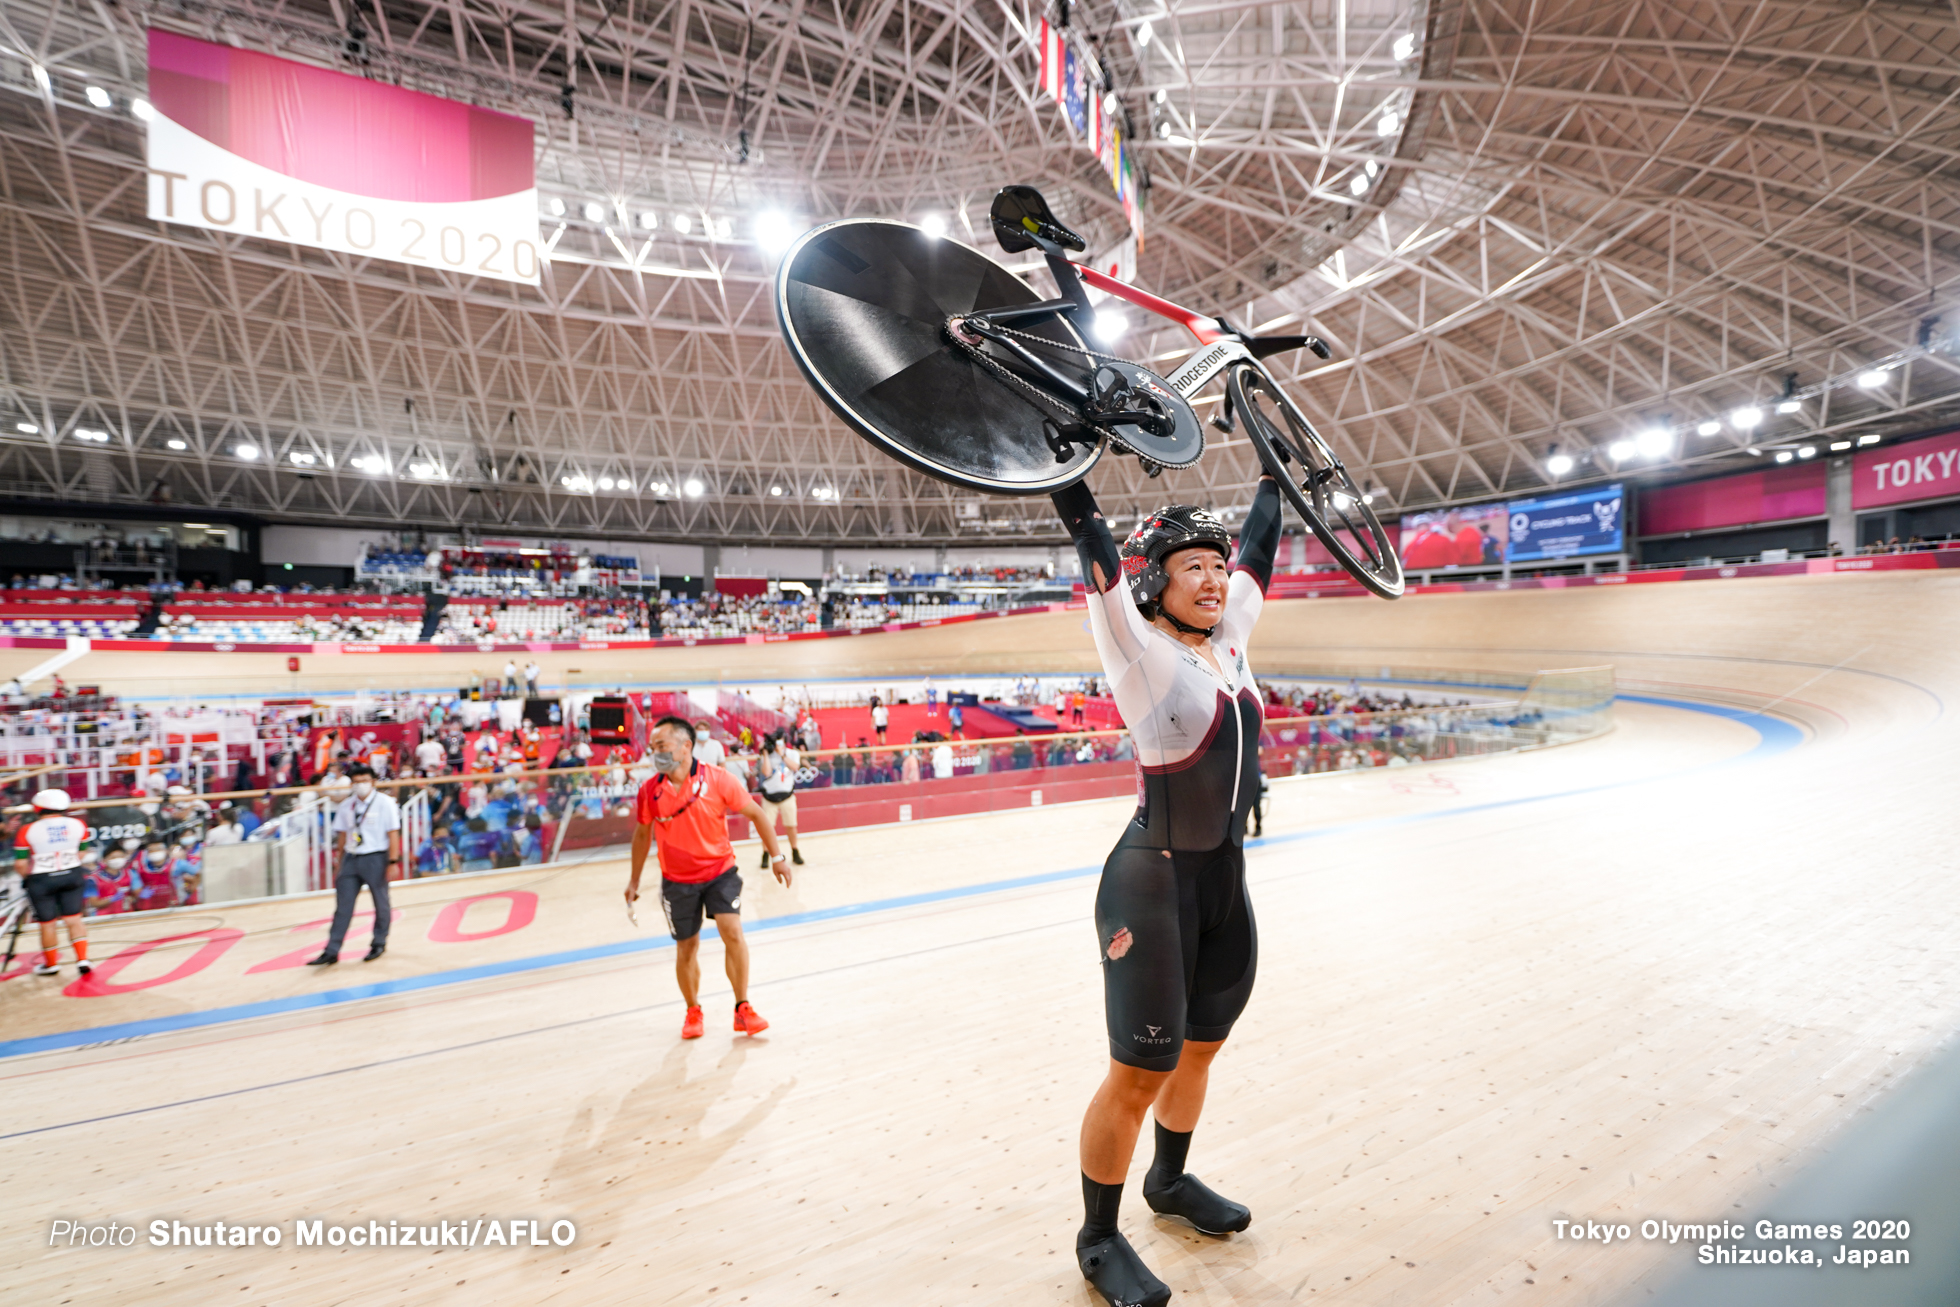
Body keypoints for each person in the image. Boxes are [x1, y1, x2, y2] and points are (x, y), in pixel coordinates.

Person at [1050, 472, 1283, 1307]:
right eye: (1194, 566)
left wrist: (1270, 466)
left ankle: (1170, 1182)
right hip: (1151, 882)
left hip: (1224, 878)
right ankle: (1098, 1236)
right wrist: (1062, 464)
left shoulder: (1228, 642)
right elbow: (1095, 548)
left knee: (1201, 1048)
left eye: (1216, 568)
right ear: (1156, 581)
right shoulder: (1136, 648)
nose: (1216, 579)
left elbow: (1260, 544)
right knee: (1137, 1073)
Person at [625, 716, 792, 1040]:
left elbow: (757, 814)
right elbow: (642, 835)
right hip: (677, 881)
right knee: (687, 948)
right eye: (653, 747)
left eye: (662, 746)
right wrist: (633, 881)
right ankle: (693, 1010)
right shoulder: (649, 790)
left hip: (720, 872)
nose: (655, 752)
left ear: (686, 746)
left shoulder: (719, 779)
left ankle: (742, 1007)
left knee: (732, 931)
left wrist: (777, 858)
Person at [308, 764, 400, 965]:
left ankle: (379, 942)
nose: (360, 786)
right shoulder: (346, 805)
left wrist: (393, 861)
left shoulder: (385, 803)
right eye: (356, 782)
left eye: (364, 781)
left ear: (373, 782)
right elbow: (342, 836)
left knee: (381, 902)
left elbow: (393, 833)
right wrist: (339, 864)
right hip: (351, 858)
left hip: (376, 857)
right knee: (343, 907)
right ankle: (332, 949)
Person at [12, 790, 93, 976]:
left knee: (47, 924)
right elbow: (81, 852)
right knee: (74, 919)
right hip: (72, 874)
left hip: (41, 879)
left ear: (38, 808)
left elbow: (20, 863)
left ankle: (51, 965)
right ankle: (82, 960)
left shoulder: (28, 829)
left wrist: (28, 878)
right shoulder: (79, 824)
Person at [755, 734, 806, 868]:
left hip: (787, 796)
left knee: (791, 825)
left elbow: (795, 767)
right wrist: (765, 753)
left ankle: (795, 851)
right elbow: (766, 772)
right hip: (769, 797)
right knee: (767, 827)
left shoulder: (792, 753)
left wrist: (782, 755)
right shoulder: (767, 755)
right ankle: (766, 854)